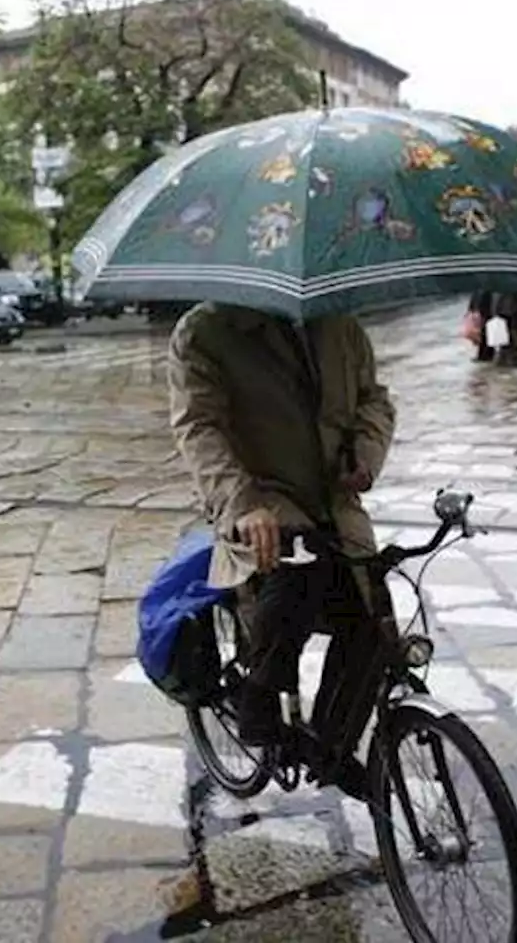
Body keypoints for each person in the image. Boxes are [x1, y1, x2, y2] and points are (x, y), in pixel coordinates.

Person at [167, 302, 396, 796]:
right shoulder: (205, 331)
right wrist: (242, 502)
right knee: (299, 567)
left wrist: (364, 453)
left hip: (336, 503)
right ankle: (259, 698)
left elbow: (373, 400)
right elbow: (198, 427)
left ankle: (329, 748)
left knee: (375, 623)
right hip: (259, 500)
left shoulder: (341, 323)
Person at [468, 289, 494, 362]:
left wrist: (472, 308)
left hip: (485, 309)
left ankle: (485, 354)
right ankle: (485, 354)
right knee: (484, 332)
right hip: (484, 309)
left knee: (484, 332)